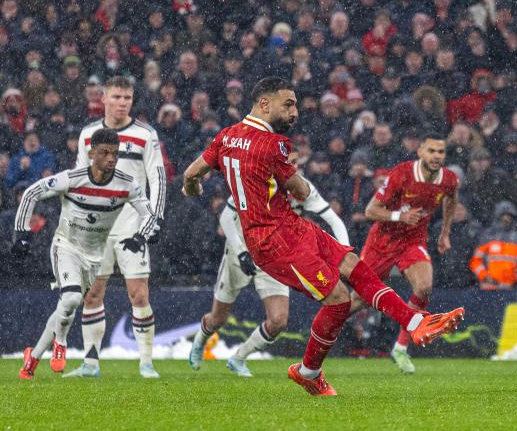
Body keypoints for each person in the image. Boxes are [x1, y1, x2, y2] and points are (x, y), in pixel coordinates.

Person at [181, 77, 463, 396]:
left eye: (296, 105)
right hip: (273, 240)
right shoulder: (273, 145)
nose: (295, 112)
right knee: (339, 299)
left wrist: (193, 188)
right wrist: (296, 180)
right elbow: (301, 191)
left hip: (292, 227)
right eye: (288, 104)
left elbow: (191, 174)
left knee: (355, 266)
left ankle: (415, 323)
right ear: (264, 104)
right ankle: (308, 372)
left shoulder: (226, 136)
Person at [16, 128, 159, 379]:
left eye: (115, 153)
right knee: (71, 299)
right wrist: (22, 233)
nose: (111, 158)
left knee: (66, 306)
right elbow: (31, 193)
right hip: (66, 247)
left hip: (95, 257)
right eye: (104, 153)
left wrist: (141, 236)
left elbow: (150, 214)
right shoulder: (72, 179)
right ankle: (61, 343)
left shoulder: (126, 184)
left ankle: (33, 357)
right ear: (92, 153)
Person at [187, 178, 350, 377]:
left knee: (278, 320)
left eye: (295, 163)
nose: (291, 165)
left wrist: (344, 254)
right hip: (241, 253)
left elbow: (333, 219)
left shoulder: (302, 187)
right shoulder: (256, 177)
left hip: (274, 256)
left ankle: (239, 358)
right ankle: (200, 341)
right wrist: (241, 252)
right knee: (218, 318)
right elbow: (226, 217)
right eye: (288, 162)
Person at [64, 76, 167, 379]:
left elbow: (157, 178)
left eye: (127, 98)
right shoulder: (88, 135)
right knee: (92, 294)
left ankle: (146, 363)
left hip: (132, 226)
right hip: (96, 227)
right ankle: (90, 363)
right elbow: (78, 179)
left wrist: (155, 219)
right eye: (117, 97)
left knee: (139, 294)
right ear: (104, 98)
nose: (122, 103)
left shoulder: (145, 134)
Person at [359, 131, 460, 375]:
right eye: (431, 151)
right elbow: (370, 211)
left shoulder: (449, 179)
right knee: (357, 300)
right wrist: (400, 216)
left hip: (413, 241)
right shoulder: (402, 173)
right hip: (382, 241)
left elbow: (451, 199)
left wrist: (445, 233)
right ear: (420, 152)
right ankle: (321, 339)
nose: (436, 156)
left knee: (424, 287)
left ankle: (401, 347)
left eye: (441, 151)